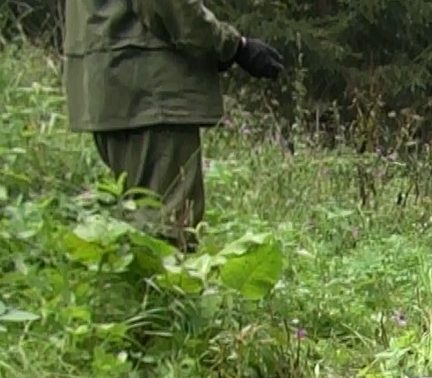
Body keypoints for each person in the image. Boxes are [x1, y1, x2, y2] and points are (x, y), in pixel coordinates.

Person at [62, 0, 285, 248]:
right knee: (167, 234)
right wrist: (233, 46)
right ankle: (163, 287)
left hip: (109, 87)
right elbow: (174, 8)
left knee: (138, 229)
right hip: (152, 95)